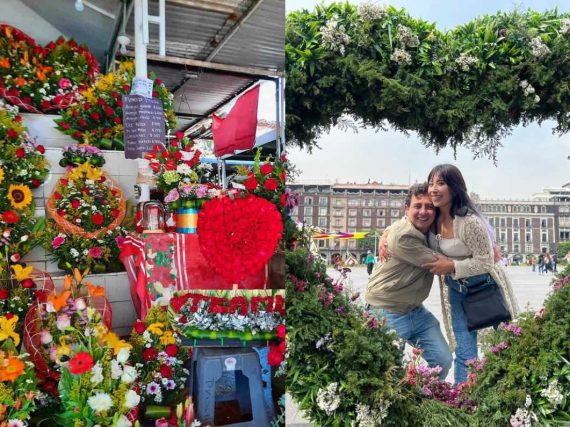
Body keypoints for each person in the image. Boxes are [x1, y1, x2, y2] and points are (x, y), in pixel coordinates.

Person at [421, 164, 519, 384]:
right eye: (431, 183)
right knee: (464, 351)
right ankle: (464, 397)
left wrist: (452, 266)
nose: (433, 189)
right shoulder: (432, 219)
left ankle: (509, 391)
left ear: (454, 187)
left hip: (486, 287)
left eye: (440, 183)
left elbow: (486, 261)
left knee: (504, 343)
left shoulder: (469, 222)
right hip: (457, 290)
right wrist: (387, 235)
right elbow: (409, 219)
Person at [366, 183, 453, 379]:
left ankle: (424, 394)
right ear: (406, 209)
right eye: (417, 206)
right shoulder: (402, 237)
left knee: (442, 360)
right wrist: (479, 255)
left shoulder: (428, 229)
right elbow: (442, 263)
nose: (423, 211)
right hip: (386, 312)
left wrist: (386, 230)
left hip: (416, 311)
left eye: (429, 206)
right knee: (387, 373)